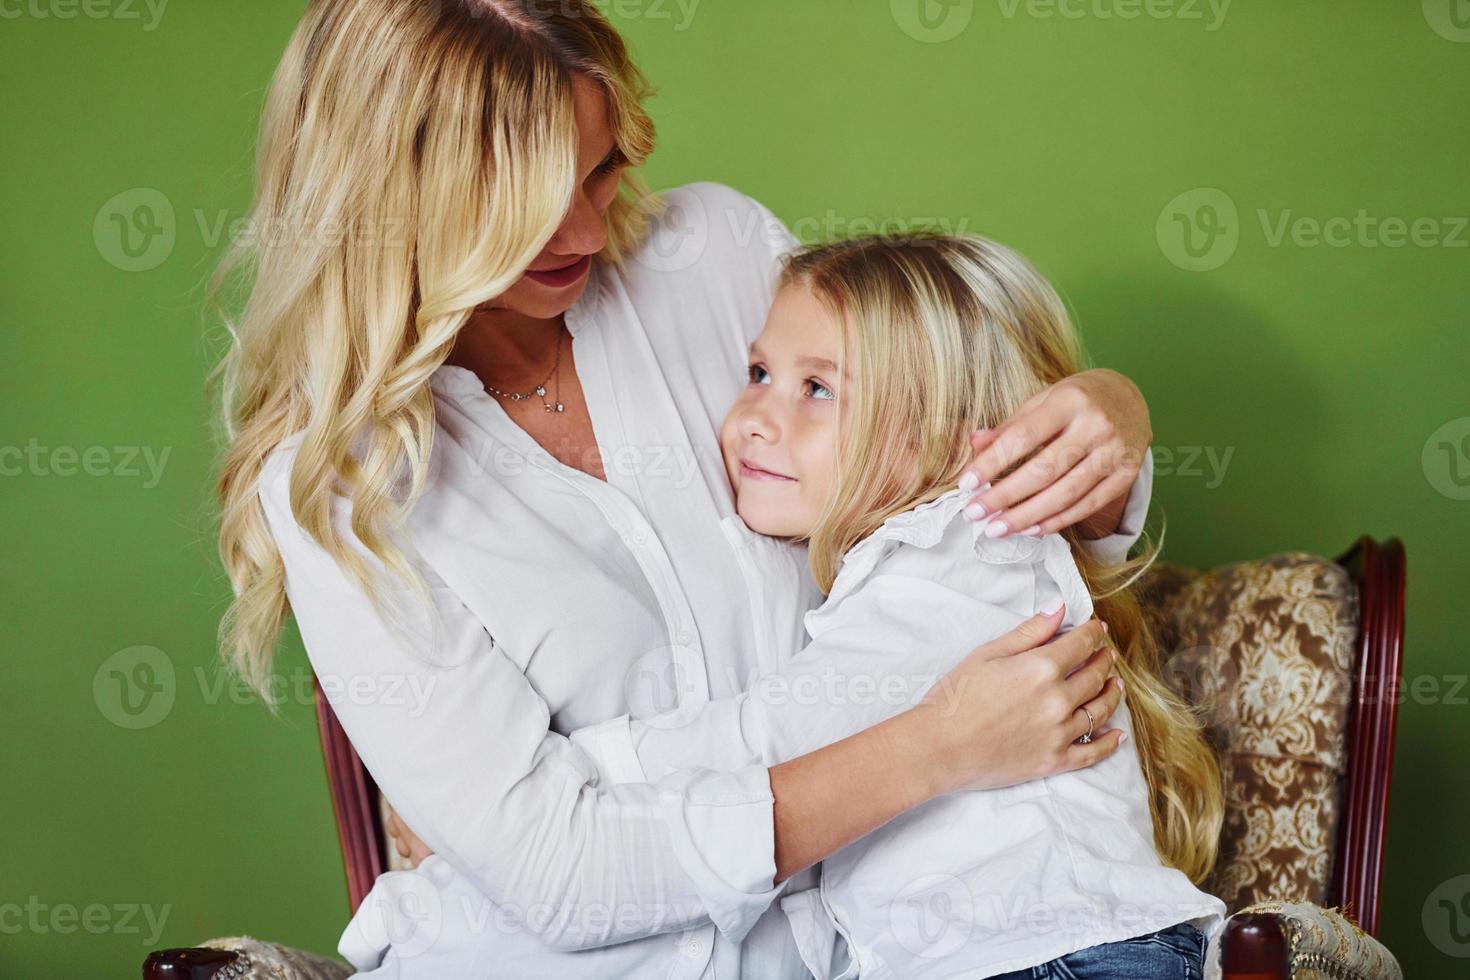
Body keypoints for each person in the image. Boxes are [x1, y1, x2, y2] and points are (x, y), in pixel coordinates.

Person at [212, 2, 1158, 976]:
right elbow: (560, 871)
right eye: (529, 200)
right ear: (390, 194)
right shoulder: (343, 485)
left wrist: (1108, 411)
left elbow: (937, 477)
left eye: (602, 166)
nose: (583, 227)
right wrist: (936, 747)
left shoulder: (715, 255)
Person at [562, 231, 1225, 978]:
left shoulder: (959, 550)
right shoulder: (931, 559)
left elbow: (776, 734)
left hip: (1051, 958)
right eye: (758, 371)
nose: (755, 416)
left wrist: (575, 770)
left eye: (818, 389)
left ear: (954, 435)